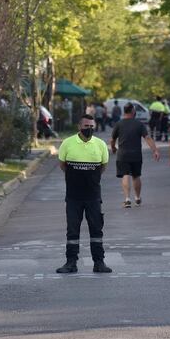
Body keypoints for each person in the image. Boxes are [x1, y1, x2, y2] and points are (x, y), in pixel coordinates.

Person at [56, 115, 112, 274]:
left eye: (92, 126)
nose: (89, 129)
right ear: (79, 127)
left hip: (93, 196)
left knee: (96, 230)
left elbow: (103, 166)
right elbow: (62, 165)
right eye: (86, 126)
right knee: (72, 231)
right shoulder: (67, 143)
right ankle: (71, 263)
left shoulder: (100, 144)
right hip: (73, 196)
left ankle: (99, 262)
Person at [110, 103, 160, 208]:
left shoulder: (119, 124)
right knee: (136, 176)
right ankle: (137, 198)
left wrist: (113, 148)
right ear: (133, 111)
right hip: (136, 155)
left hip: (123, 154)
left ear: (124, 112)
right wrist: (155, 150)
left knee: (125, 175)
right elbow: (147, 138)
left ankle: (127, 199)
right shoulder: (139, 124)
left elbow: (112, 139)